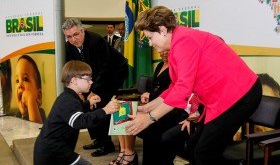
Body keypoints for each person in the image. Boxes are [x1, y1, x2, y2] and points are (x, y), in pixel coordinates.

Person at [125, 6, 262, 165]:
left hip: (240, 94)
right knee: (194, 147)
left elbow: (183, 88)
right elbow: (175, 87)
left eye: (150, 37)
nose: (149, 43)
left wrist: (150, 118)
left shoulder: (184, 41)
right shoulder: (177, 43)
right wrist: (147, 108)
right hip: (221, 98)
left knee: (204, 152)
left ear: (162, 30)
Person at [62, 18, 128, 157]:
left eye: (76, 34)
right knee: (88, 103)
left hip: (114, 72)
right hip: (92, 77)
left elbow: (104, 69)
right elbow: (73, 69)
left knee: (99, 101)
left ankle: (107, 144)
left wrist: (94, 91)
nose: (73, 39)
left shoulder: (96, 41)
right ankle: (98, 139)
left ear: (82, 31)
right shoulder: (68, 46)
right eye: (69, 36)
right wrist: (78, 91)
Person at [33, 60, 121, 165]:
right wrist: (105, 110)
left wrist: (88, 103)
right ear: (74, 80)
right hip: (53, 154)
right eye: (87, 79)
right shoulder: (68, 100)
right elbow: (80, 121)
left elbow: (72, 112)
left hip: (56, 150)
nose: (91, 82)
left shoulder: (68, 97)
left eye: (91, 79)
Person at [110, 51, 187, 165]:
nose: (164, 54)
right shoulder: (160, 65)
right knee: (121, 110)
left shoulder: (177, 67)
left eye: (167, 51)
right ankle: (124, 151)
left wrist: (150, 97)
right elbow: (156, 86)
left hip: (168, 108)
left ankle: (130, 154)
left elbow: (171, 92)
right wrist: (147, 93)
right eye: (161, 52)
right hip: (154, 102)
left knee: (127, 115)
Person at [14, 55, 45, 124]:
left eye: (25, 79)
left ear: (39, 96)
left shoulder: (40, 114)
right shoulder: (17, 115)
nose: (20, 85)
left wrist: (30, 100)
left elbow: (36, 132)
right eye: (17, 81)